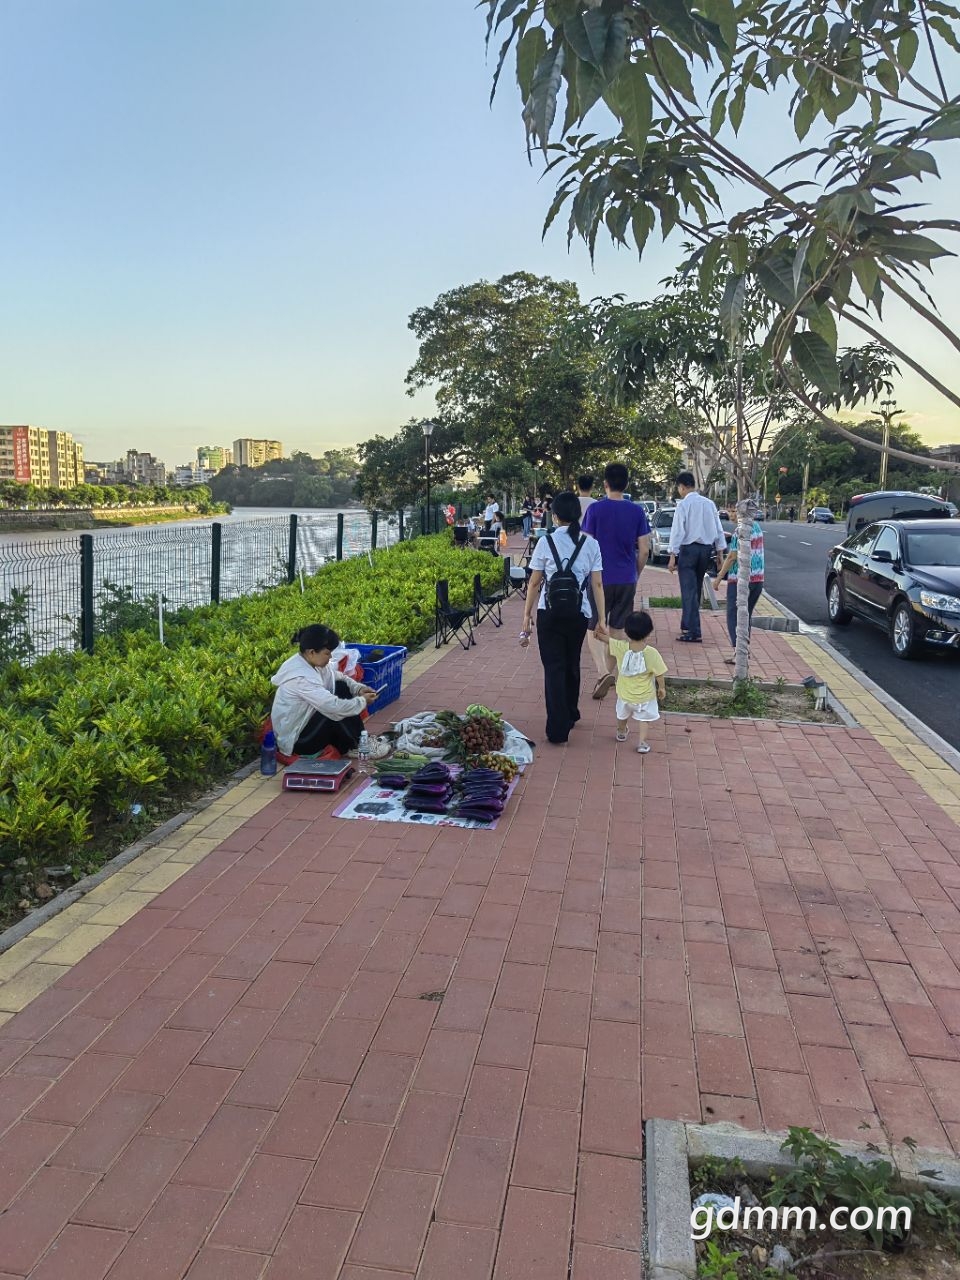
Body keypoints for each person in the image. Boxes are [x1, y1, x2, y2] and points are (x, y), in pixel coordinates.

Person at [520, 491, 607, 745]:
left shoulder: (545, 542)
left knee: (554, 667)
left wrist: (526, 615)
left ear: (555, 516)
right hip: (579, 613)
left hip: (549, 613)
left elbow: (534, 582)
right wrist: (601, 619)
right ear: (578, 516)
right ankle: (571, 712)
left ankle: (558, 728)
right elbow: (597, 584)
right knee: (572, 662)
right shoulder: (591, 544)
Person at [581, 462, 651, 699]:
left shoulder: (595, 510)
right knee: (618, 629)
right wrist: (635, 573)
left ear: (605, 484)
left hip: (599, 578)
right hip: (626, 578)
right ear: (627, 484)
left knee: (593, 626)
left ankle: (602, 672)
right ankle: (609, 673)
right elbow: (644, 550)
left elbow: (586, 545)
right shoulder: (637, 512)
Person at [270, 624, 386, 759]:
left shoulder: (311, 661)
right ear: (311, 652)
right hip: (299, 742)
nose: (330, 657)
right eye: (327, 653)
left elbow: (339, 677)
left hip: (310, 724)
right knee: (331, 712)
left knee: (341, 687)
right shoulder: (301, 678)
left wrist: (358, 689)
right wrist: (362, 701)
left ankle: (357, 740)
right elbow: (333, 706)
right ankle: (356, 745)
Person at [667, 472, 726, 643]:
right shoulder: (709, 504)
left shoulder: (684, 505)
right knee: (696, 589)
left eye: (679, 488)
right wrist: (720, 553)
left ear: (682, 487)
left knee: (688, 591)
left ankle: (693, 630)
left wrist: (673, 555)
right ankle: (688, 624)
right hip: (705, 551)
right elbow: (718, 529)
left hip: (689, 550)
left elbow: (678, 531)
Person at [606, 611, 667, 754]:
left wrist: (600, 632)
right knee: (643, 720)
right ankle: (642, 743)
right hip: (644, 696)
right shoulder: (652, 653)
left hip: (624, 694)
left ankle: (621, 732)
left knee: (622, 715)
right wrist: (662, 688)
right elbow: (659, 674)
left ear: (626, 631)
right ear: (648, 633)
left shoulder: (621, 647)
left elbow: (606, 639)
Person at [714, 516, 765, 662]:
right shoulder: (756, 527)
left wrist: (718, 578)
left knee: (734, 615)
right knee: (745, 617)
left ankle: (739, 652)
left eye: (734, 510)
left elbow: (732, 556)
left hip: (740, 580)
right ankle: (744, 650)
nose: (732, 514)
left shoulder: (740, 531)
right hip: (758, 579)